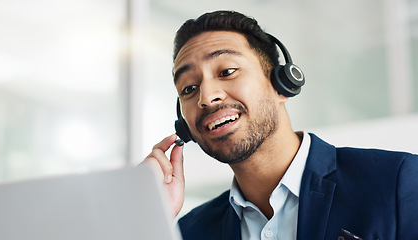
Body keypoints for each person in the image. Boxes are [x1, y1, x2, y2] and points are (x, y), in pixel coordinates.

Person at [141, 10, 418, 240]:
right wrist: (147, 222)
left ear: (282, 84)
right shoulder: (188, 232)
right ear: (185, 126)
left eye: (227, 72)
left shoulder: (398, 182)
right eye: (189, 88)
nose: (206, 97)